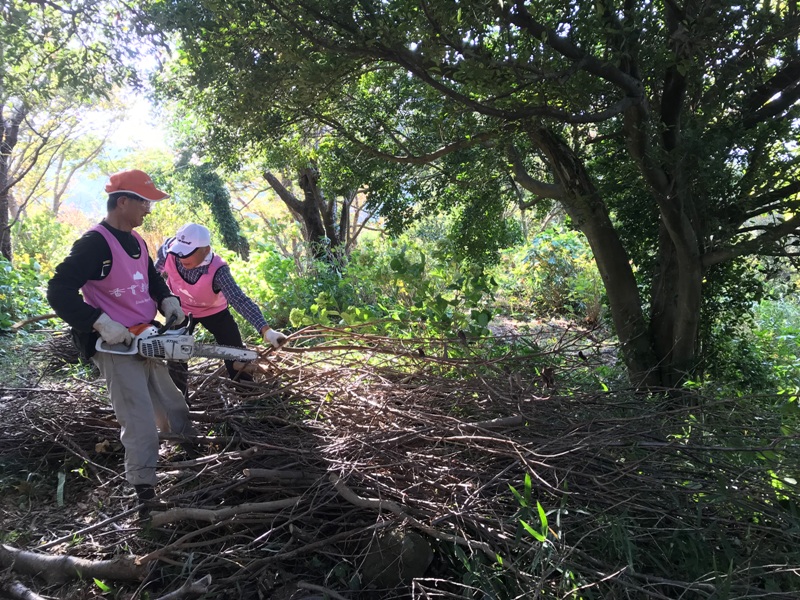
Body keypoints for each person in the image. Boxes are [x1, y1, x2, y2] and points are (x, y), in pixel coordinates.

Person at [47, 168, 196, 509]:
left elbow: (151, 278)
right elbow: (58, 290)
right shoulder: (93, 243)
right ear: (123, 201)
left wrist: (166, 298)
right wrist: (97, 321)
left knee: (172, 403)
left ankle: (192, 456)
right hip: (114, 344)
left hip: (145, 336)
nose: (148, 208)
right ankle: (145, 493)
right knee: (139, 420)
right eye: (144, 202)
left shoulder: (138, 240)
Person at [155, 222, 287, 396]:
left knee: (236, 353)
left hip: (214, 312)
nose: (181, 257)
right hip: (180, 310)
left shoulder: (218, 270)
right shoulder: (169, 253)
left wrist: (266, 330)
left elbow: (239, 300)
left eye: (187, 253)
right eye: (179, 251)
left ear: (206, 250)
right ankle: (179, 402)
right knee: (175, 353)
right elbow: (151, 276)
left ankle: (247, 395)